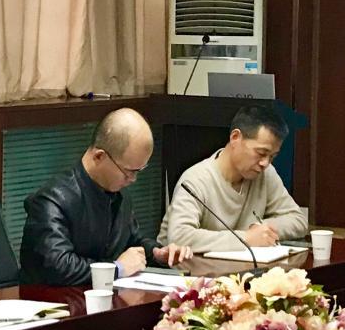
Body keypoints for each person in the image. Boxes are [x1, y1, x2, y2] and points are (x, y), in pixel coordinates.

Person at [19, 109, 188, 286]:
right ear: (99, 156)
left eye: (139, 171)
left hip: (104, 296)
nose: (133, 179)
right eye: (129, 171)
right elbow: (58, 266)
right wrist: (117, 269)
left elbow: (132, 240)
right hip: (53, 300)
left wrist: (156, 253)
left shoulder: (119, 194)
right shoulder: (52, 201)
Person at [157, 104, 308, 259]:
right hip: (187, 270)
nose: (265, 163)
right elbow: (179, 236)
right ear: (235, 137)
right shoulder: (195, 180)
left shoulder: (265, 174)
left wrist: (261, 230)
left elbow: (298, 220)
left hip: (239, 268)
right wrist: (246, 238)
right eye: (261, 153)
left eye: (272, 156)